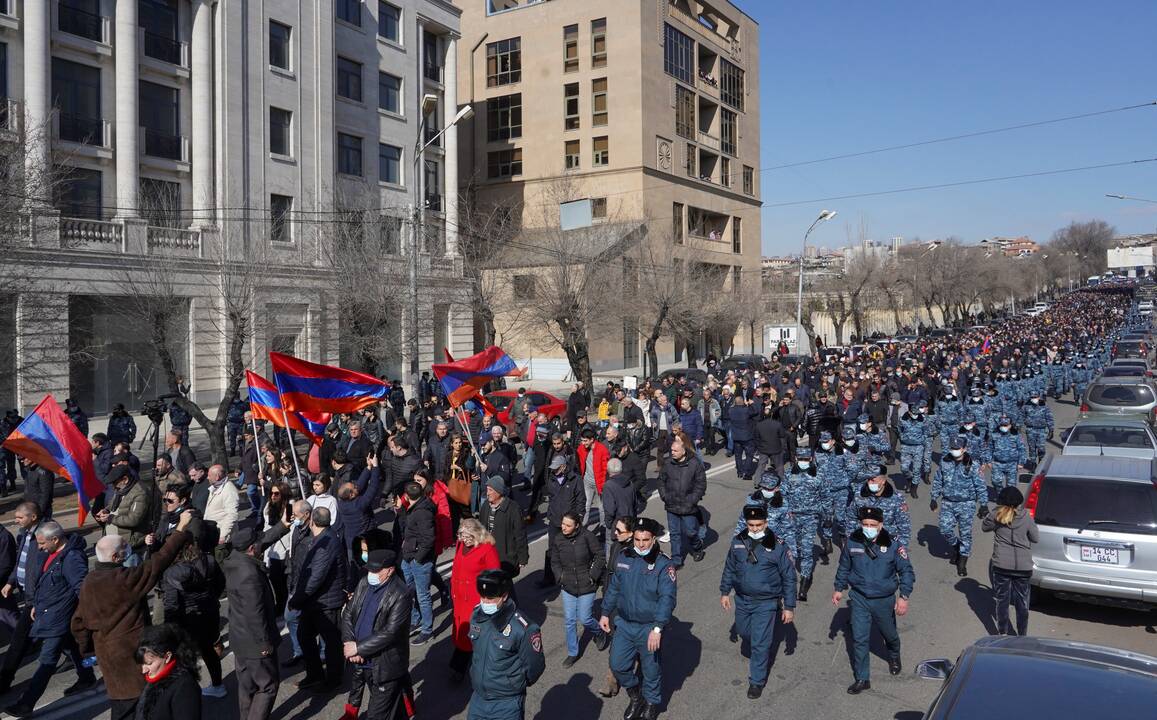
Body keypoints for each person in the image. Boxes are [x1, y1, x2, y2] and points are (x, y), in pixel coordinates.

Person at [72, 513, 194, 720]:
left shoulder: (89, 582)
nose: (127, 552)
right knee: (136, 705)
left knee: (120, 702)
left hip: (107, 655)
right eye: (124, 550)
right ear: (115, 558)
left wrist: (88, 649)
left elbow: (77, 624)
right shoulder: (125, 579)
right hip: (131, 654)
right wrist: (181, 528)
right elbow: (160, 560)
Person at [5, 522, 96, 717]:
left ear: (55, 539)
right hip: (48, 612)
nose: (40, 547)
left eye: (42, 543)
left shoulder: (72, 558)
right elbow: (48, 584)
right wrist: (37, 605)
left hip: (59, 617)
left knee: (47, 660)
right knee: (72, 647)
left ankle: (26, 703)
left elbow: (81, 589)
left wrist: (85, 617)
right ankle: (87, 675)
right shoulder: (53, 553)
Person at [599, 517, 677, 720]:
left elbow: (667, 600)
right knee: (618, 665)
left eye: (645, 540)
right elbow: (614, 588)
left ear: (653, 539)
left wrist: (658, 629)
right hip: (624, 624)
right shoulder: (624, 557)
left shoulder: (663, 565)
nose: (641, 544)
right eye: (637, 539)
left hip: (649, 627)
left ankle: (651, 703)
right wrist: (605, 612)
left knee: (651, 670)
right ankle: (636, 696)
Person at [832, 506, 915, 695]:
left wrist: (904, 596)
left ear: (880, 525)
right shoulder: (853, 541)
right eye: (865, 524)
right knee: (860, 639)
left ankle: (894, 654)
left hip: (883, 600)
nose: (868, 527)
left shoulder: (893, 544)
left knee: (889, 634)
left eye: (872, 524)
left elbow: (906, 571)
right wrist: (838, 588)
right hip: (859, 598)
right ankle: (862, 678)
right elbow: (844, 566)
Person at [719, 505, 797, 699]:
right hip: (743, 599)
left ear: (766, 523)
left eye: (758, 525)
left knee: (760, 644)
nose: (754, 529)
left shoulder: (778, 545)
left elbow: (789, 577)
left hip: (766, 602)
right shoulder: (738, 542)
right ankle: (758, 647)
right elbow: (730, 567)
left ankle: (757, 681)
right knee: (745, 632)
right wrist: (725, 591)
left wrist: (789, 606)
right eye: (751, 525)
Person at [340, 549, 415, 720]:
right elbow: (348, 613)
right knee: (394, 709)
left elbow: (390, 632)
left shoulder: (401, 594)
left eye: (376, 571)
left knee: (376, 714)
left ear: (390, 570)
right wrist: (349, 642)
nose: (371, 574)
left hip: (385, 666)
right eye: (370, 570)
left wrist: (358, 648)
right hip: (363, 662)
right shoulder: (364, 583)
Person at [466, 570, 545, 720]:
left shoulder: (523, 628)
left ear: (504, 596)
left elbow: (535, 666)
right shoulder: (477, 617)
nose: (485, 602)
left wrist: (515, 683)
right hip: (478, 698)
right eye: (482, 597)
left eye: (490, 598)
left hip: (506, 703)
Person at [221, 526, 282, 720]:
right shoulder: (250, 574)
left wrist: (282, 525)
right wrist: (264, 644)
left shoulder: (233, 560)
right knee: (267, 687)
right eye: (257, 544)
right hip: (255, 643)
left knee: (246, 687)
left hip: (239, 639)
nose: (260, 546)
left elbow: (262, 541)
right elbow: (255, 614)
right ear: (251, 548)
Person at [290, 506, 348, 692]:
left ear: (313, 521)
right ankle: (315, 674)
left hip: (325, 602)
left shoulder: (327, 542)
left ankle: (333, 679)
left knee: (331, 643)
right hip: (315, 602)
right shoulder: (322, 538)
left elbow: (315, 577)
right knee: (304, 636)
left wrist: (297, 599)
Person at [161, 536, 227, 697]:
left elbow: (171, 604)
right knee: (209, 650)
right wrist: (211, 599)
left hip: (188, 619)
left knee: (185, 658)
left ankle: (189, 694)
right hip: (210, 613)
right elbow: (221, 583)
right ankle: (218, 685)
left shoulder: (171, 573)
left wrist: (169, 629)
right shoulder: (209, 560)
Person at [551, 512, 608, 666]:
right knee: (569, 620)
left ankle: (599, 632)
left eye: (568, 525)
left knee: (585, 618)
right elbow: (554, 560)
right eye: (563, 524)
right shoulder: (558, 539)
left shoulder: (587, 536)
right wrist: (560, 577)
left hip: (586, 584)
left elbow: (600, 556)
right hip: (568, 585)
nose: (564, 527)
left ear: (577, 525)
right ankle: (572, 652)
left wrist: (592, 575)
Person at [981, 486, 1039, 636]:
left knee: (1002, 601)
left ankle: (1002, 633)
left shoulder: (997, 515)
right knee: (1022, 603)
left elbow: (984, 527)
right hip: (1023, 567)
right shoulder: (1026, 517)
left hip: (1001, 565)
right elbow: (1035, 538)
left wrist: (992, 513)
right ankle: (1022, 635)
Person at [0, 503, 44, 695]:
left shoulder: (41, 534)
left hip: (35, 596)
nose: (15, 520)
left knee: (17, 635)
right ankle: (84, 669)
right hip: (25, 592)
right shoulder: (25, 533)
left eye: (19, 517)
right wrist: (11, 582)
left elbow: (37, 567)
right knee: (62, 640)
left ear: (32, 517)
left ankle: (5, 682)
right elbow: (20, 562)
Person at [449, 520, 500, 681]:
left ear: (477, 533)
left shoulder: (487, 549)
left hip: (474, 602)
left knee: (471, 636)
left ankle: (460, 668)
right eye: (461, 535)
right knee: (462, 632)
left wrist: (490, 600)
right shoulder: (460, 545)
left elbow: (495, 578)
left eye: (468, 536)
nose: (464, 539)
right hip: (459, 600)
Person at [930, 436, 988, 577]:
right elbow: (938, 480)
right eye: (952, 448)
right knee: (944, 529)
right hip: (948, 502)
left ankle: (962, 561)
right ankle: (957, 547)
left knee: (965, 533)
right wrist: (934, 497)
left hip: (966, 503)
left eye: (957, 448)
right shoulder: (945, 462)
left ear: (964, 449)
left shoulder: (973, 465)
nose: (954, 451)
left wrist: (984, 504)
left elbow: (980, 485)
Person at [394, 480, 436, 646]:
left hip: (419, 560)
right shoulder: (413, 508)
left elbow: (429, 539)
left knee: (423, 595)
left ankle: (427, 630)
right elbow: (406, 527)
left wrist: (418, 558)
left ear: (406, 495)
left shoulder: (423, 512)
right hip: (409, 556)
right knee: (408, 591)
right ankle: (415, 620)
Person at [657, 433, 706, 568]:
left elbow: (701, 484)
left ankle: (697, 547)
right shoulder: (667, 463)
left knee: (690, 532)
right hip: (671, 505)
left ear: (683, 451)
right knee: (674, 533)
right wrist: (664, 496)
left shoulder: (695, 464)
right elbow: (661, 481)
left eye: (675, 451)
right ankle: (676, 559)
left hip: (688, 506)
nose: (672, 453)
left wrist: (692, 499)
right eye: (671, 450)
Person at [133, 624, 202, 720]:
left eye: (149, 663)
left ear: (167, 656)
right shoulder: (157, 677)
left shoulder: (185, 687)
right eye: (142, 664)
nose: (143, 670)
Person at [538, 454, 586, 589]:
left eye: (556, 468)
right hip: (554, 521)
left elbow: (581, 500)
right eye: (553, 469)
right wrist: (550, 513)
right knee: (551, 551)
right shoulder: (552, 479)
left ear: (564, 467)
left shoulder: (575, 479)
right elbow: (551, 497)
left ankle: (573, 579)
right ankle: (549, 578)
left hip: (570, 522)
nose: (554, 471)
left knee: (571, 551)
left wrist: (578, 518)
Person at [477, 477, 528, 581]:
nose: (487, 493)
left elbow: (520, 535)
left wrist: (523, 558)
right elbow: (480, 529)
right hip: (488, 554)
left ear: (499, 491)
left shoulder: (513, 509)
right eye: (487, 490)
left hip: (506, 557)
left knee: (503, 586)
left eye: (490, 490)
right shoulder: (486, 506)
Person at [203, 465, 240, 560]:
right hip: (213, 533)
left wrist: (223, 536)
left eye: (209, 475)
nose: (207, 477)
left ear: (217, 477)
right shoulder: (214, 487)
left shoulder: (229, 490)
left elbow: (232, 515)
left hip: (222, 537)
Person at [575, 428, 609, 528]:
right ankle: (582, 526)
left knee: (602, 507)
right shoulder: (581, 448)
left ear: (592, 439)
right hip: (587, 482)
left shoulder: (602, 450)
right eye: (582, 440)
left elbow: (605, 469)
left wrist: (603, 485)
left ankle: (603, 527)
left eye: (585, 440)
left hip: (600, 484)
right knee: (585, 505)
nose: (583, 443)